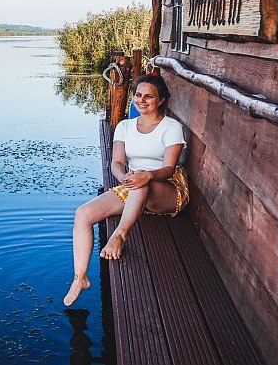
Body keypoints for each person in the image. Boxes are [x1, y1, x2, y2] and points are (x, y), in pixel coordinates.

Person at [63, 74, 188, 306]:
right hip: (134, 184)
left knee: (141, 182)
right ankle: (80, 278)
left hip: (167, 189)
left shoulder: (171, 127)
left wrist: (146, 175)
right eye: (138, 95)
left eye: (149, 96)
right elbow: (117, 163)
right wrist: (123, 178)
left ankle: (119, 236)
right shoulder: (125, 126)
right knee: (83, 214)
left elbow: (169, 169)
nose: (142, 100)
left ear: (161, 100)